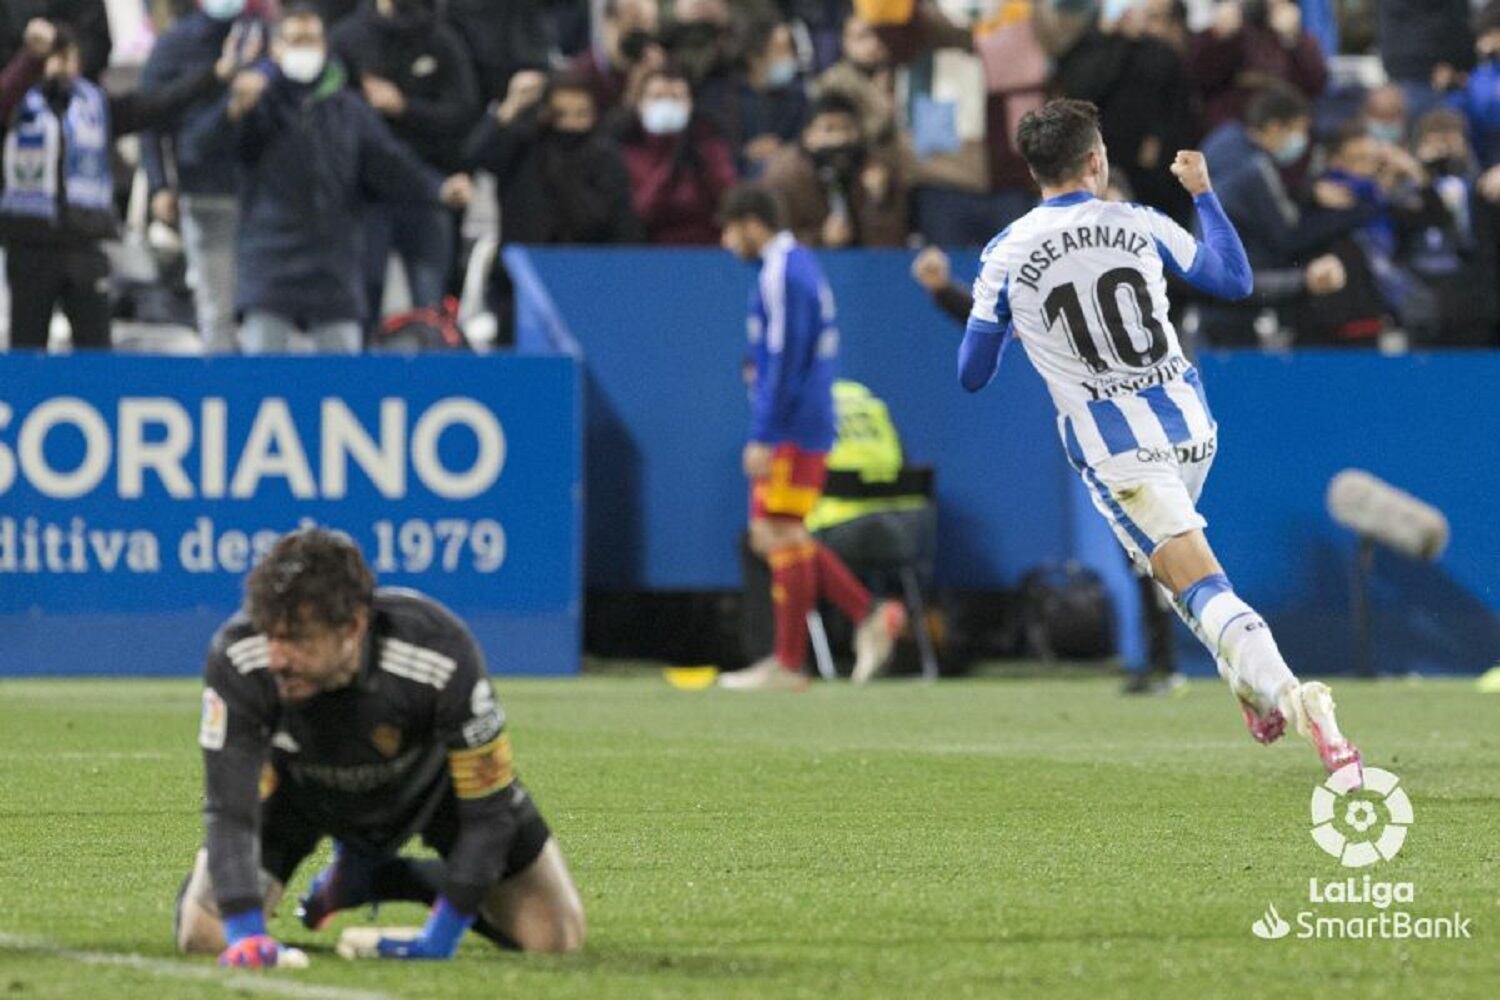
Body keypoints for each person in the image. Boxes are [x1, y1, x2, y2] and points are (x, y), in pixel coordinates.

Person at [958, 99, 1362, 778]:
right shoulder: (1139, 223)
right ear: (1096, 161)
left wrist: (1008, 327)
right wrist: (1204, 194)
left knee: (1200, 586)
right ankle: (1249, 685)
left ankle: (1299, 700)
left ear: (1034, 170)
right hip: (1192, 426)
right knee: (1173, 573)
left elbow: (972, 374)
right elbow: (1233, 279)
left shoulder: (1005, 253)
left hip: (1120, 450)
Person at [174, 527, 586, 967]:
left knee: (555, 936)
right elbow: (229, 808)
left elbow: (489, 811)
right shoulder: (240, 656)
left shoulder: (439, 651)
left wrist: (439, 940)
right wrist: (245, 937)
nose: (276, 656)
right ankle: (340, 879)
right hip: (295, 798)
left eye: (297, 639)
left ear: (353, 626)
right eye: (270, 634)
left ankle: (396, 879)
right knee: (204, 934)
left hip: (431, 793)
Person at [716, 183, 905, 691]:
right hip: (805, 419)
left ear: (752, 223)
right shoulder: (798, 267)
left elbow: (783, 359)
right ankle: (832, 637)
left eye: (730, 231)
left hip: (792, 424)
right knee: (777, 534)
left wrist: (763, 432)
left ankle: (798, 656)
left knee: (780, 533)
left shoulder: (781, 271)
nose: (727, 243)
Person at [224, 3, 471, 353]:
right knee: (263, 381)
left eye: (311, 39)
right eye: (295, 39)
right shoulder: (257, 104)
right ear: (276, 48)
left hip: (332, 268)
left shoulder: (348, 109)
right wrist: (234, 109)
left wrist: (438, 187)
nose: (304, 48)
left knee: (343, 381)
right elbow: (211, 149)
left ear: (325, 46)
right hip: (269, 265)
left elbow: (392, 162)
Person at [0, 20, 248, 350]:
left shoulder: (97, 107)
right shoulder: (17, 105)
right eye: (52, 56)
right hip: (30, 247)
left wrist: (214, 75)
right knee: (27, 348)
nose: (59, 63)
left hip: (86, 245)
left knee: (96, 352)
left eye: (66, 55)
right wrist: (31, 57)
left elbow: (161, 103)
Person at [329, 0, 480, 323]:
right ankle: (362, 372)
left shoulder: (442, 38)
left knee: (430, 304)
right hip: (366, 196)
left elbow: (464, 110)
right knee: (361, 301)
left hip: (428, 191)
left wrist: (405, 107)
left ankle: (435, 372)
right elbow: (335, 119)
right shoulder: (346, 39)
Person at [140, 0, 269, 355]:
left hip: (266, 197)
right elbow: (149, 116)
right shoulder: (176, 44)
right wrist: (158, 184)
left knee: (266, 309)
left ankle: (266, 390)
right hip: (205, 190)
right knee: (217, 309)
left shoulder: (264, 37)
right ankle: (224, 391)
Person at [760, 90, 905, 248]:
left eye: (847, 128)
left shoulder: (877, 170)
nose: (840, 138)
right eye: (829, 129)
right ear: (809, 135)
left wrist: (878, 201)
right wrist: (820, 238)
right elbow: (770, 241)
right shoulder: (783, 176)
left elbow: (889, 246)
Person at [620, 66, 736, 244]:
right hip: (649, 254)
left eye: (676, 98)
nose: (667, 105)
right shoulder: (628, 152)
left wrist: (704, 164)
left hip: (709, 250)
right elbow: (640, 213)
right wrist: (671, 169)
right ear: (640, 104)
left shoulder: (711, 145)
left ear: (690, 104)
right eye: (658, 97)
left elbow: (730, 203)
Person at [1187, 0, 1327, 135]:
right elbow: (1198, 79)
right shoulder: (1219, 32)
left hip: (1283, 131)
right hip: (1232, 128)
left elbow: (1316, 85)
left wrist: (1293, 40)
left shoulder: (1294, 35)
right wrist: (1221, 37)